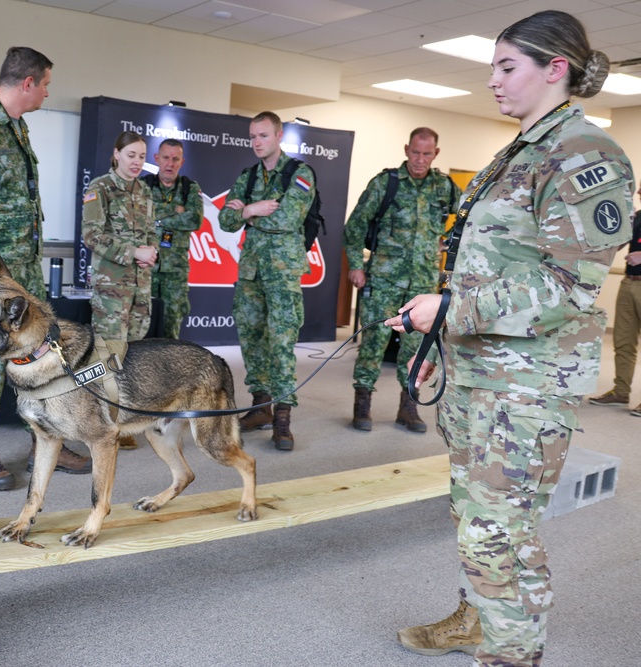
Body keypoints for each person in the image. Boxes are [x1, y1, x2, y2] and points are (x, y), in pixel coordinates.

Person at [386, 11, 633, 666]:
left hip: (525, 387)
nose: (493, 81)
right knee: (477, 520)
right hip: (481, 373)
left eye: (507, 67)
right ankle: (476, 618)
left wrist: (452, 307)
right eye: (492, 66)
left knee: (499, 534)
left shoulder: (587, 155)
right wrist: (443, 314)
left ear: (557, 69)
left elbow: (568, 288)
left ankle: (509, 653)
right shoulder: (519, 149)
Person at [0, 46, 90, 491]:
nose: (48, 92)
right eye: (46, 83)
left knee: (39, 354)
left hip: (20, 271)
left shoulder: (16, 127)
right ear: (27, 82)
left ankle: (42, 441)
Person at [344, 127, 461, 433]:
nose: (419, 160)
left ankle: (408, 407)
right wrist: (356, 265)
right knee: (373, 343)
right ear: (406, 149)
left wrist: (446, 243)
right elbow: (355, 226)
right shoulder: (386, 183)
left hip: (422, 282)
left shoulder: (444, 187)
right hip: (382, 280)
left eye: (426, 154)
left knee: (417, 345)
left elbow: (467, 222)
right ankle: (362, 405)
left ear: (435, 154)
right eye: (415, 152)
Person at [219, 111, 315, 451]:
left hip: (282, 274)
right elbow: (226, 220)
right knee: (252, 340)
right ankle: (261, 405)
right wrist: (251, 209)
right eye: (253, 137)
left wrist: (247, 210)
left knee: (281, 344)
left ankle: (283, 417)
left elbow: (289, 219)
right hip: (251, 272)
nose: (257, 142)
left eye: (263, 136)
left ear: (278, 135)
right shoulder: (248, 177)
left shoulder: (299, 174)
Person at [81, 130, 158, 450]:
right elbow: (92, 236)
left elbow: (152, 232)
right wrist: (133, 252)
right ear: (116, 155)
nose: (137, 162)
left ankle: (122, 423)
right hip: (112, 287)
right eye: (131, 155)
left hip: (140, 287)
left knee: (134, 357)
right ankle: (100, 425)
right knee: (109, 356)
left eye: (141, 156)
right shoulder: (100, 188)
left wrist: (152, 252)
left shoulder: (145, 191)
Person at [141, 139, 203, 339]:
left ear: (182, 162)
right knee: (142, 328)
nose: (170, 163)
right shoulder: (143, 186)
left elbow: (195, 219)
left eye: (175, 159)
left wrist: (157, 216)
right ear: (156, 159)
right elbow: (140, 217)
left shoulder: (189, 189)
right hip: (145, 268)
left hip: (175, 274)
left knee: (171, 330)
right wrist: (175, 211)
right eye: (166, 158)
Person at [589, 192, 641, 415]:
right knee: (622, 340)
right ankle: (621, 391)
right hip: (629, 282)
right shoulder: (637, 216)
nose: (638, 192)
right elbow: (618, 242)